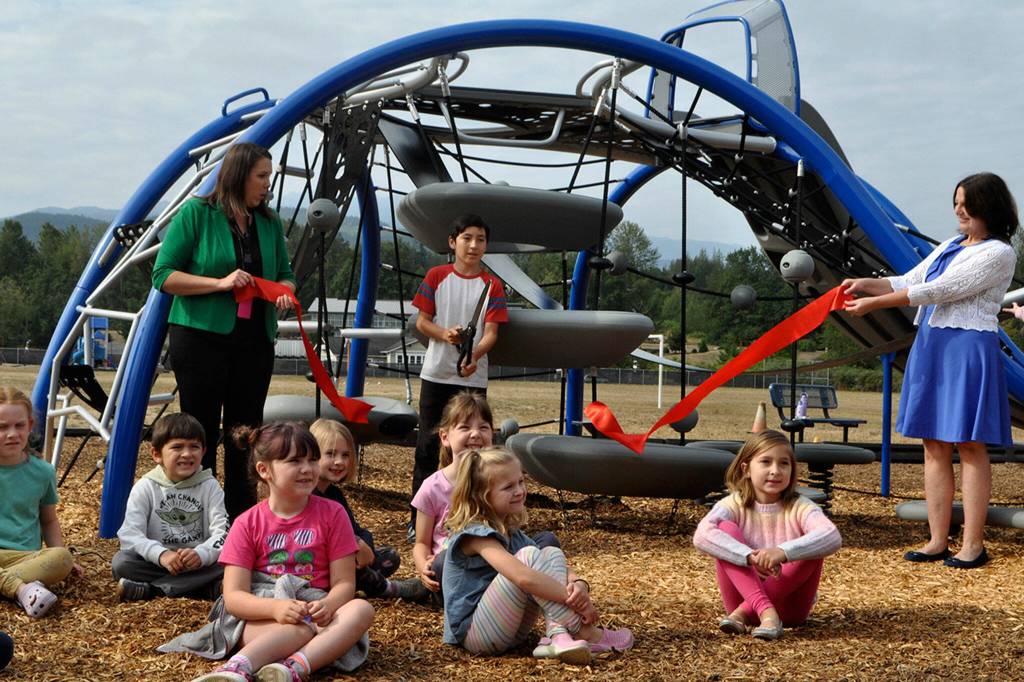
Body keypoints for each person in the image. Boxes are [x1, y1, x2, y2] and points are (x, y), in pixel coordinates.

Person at [843, 172, 1019, 569]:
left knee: (968, 444)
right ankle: (938, 538)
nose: (959, 208)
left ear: (987, 205)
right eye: (956, 200)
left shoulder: (999, 253)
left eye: (967, 201)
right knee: (933, 443)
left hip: (968, 345)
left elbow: (943, 290)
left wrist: (878, 304)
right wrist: (867, 284)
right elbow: (911, 279)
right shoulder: (950, 245)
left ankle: (972, 544)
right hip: (932, 343)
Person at [152, 142, 296, 521]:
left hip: (254, 340)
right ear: (237, 176)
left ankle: (240, 517)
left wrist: (284, 292)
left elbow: (286, 275)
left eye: (270, 175)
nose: (268, 183)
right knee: (199, 429)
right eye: (261, 176)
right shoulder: (197, 214)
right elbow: (163, 276)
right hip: (200, 339)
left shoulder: (268, 222)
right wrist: (219, 283)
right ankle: (197, 515)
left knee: (245, 433)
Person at [166, 422, 373, 682]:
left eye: (312, 459)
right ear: (265, 470)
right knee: (299, 629)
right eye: (295, 461)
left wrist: (328, 606)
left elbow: (344, 583)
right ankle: (234, 670)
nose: (307, 469)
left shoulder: (333, 514)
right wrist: (275, 608)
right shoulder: (247, 523)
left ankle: (291, 669)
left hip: (316, 610)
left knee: (361, 610)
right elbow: (234, 597)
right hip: (260, 614)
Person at [442, 447, 634, 664]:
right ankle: (585, 632)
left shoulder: (511, 532)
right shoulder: (474, 534)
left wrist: (579, 585)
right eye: (508, 487)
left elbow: (548, 564)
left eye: (521, 482)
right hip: (474, 635)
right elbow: (524, 577)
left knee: (550, 552)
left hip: (510, 631)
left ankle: (559, 635)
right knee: (530, 556)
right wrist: (576, 605)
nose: (519, 491)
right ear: (482, 496)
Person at [409, 214, 508, 535]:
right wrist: (444, 334)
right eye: (467, 238)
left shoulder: (492, 285)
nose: (474, 245)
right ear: (453, 242)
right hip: (436, 373)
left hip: (472, 378)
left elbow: (492, 333)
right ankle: (419, 520)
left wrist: (474, 356)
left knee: (474, 449)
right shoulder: (437, 276)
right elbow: (422, 321)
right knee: (427, 446)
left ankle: (470, 516)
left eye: (480, 239)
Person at [693, 430, 841, 640]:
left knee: (813, 545)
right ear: (746, 469)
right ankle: (765, 612)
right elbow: (702, 535)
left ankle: (750, 612)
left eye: (783, 463)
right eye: (765, 462)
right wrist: (749, 557)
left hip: (788, 610)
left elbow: (831, 536)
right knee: (724, 530)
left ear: (792, 470)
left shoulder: (800, 506)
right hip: (741, 597)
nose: (775, 470)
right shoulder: (734, 504)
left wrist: (781, 552)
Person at [112, 412, 229, 601]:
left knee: (233, 562)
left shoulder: (210, 486)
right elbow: (130, 534)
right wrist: (161, 554)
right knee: (122, 562)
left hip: (198, 563)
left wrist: (201, 554)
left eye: (194, 447)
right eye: (177, 447)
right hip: (157, 563)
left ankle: (153, 591)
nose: (187, 454)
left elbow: (222, 534)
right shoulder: (146, 486)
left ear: (204, 451)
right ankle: (205, 590)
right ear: (156, 454)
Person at [0, 386, 82, 619]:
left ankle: (10, 584)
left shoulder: (42, 472)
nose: (12, 434)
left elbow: (49, 520)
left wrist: (59, 552)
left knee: (62, 558)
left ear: (30, 426)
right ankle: (21, 589)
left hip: (25, 557)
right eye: (2, 427)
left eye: (19, 426)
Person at [309, 419, 401, 598]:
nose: (339, 462)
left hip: (348, 557)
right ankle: (383, 587)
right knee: (353, 565)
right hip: (320, 565)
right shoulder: (308, 496)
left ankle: (358, 582)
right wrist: (356, 544)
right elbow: (322, 537)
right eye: (330, 454)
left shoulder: (335, 494)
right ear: (312, 455)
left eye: (345, 455)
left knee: (390, 557)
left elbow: (355, 528)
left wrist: (364, 544)